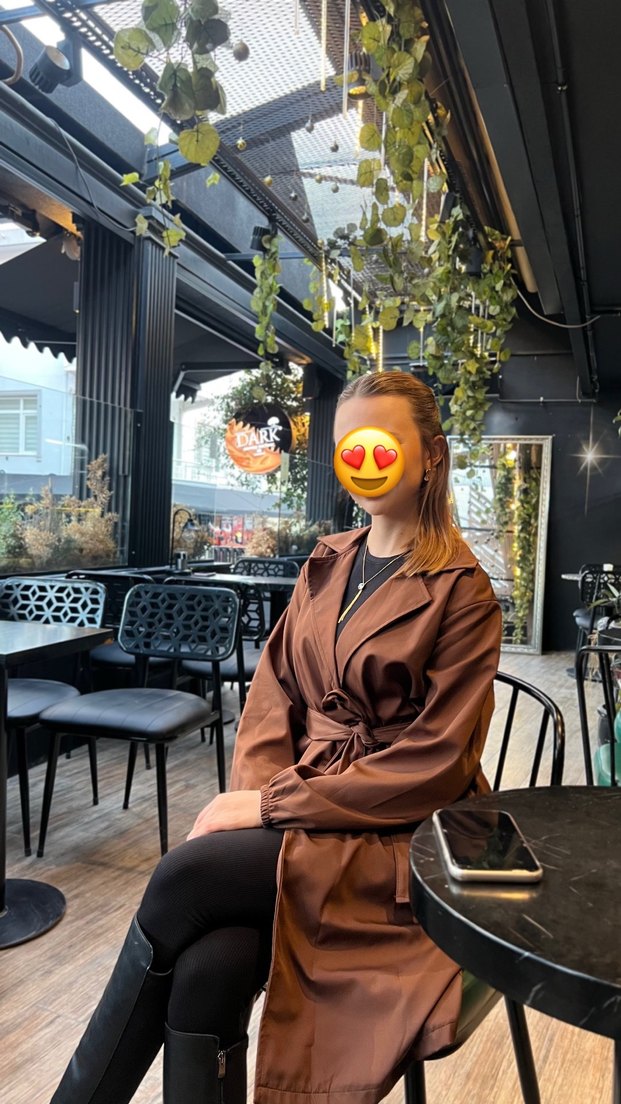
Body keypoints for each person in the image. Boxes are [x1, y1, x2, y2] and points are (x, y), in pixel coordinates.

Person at [50, 371, 501, 1104]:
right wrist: (261, 795)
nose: (363, 461)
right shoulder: (328, 561)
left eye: (382, 443)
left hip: (395, 836)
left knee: (184, 877)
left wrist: (268, 809)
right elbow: (273, 695)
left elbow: (437, 765)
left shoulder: (463, 591)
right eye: (348, 446)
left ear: (430, 456)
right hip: (308, 811)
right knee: (212, 966)